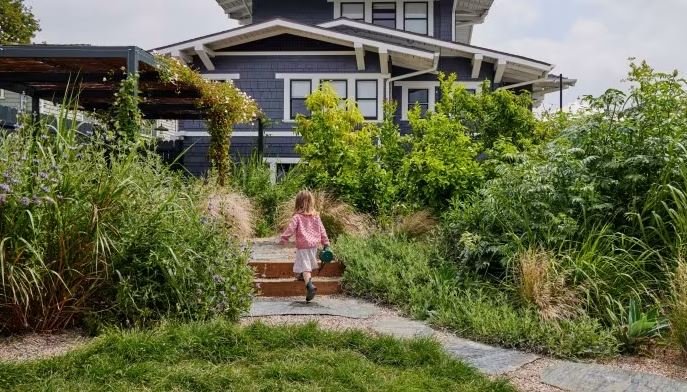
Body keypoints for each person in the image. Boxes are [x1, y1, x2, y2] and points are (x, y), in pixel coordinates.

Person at [280, 190, 330, 302]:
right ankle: (303, 277)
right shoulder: (316, 216)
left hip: (303, 246)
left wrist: (284, 238)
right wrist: (326, 243)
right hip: (314, 246)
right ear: (311, 202)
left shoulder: (297, 217)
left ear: (298, 203)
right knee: (305, 265)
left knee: (305, 267)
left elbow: (291, 228)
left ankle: (309, 286)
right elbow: (322, 231)